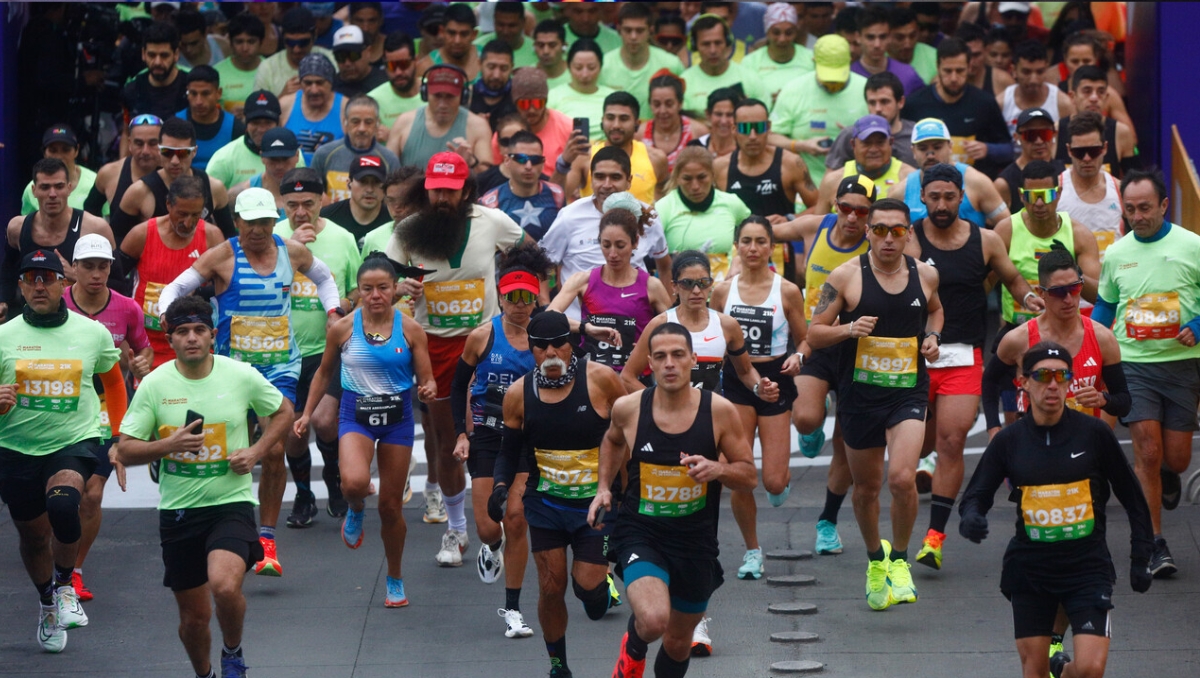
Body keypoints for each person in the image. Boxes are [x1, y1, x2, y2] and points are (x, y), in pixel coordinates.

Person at [156, 186, 344, 578]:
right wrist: (166, 313)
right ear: (237, 221)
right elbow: (176, 287)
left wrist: (333, 310)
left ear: (273, 223)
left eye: (264, 222)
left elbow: (325, 279)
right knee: (225, 444)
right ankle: (216, 520)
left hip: (280, 366)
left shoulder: (291, 251)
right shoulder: (224, 255)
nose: (258, 230)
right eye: (250, 223)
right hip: (231, 368)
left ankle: (268, 538)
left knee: (272, 451)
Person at [116, 296, 292, 678]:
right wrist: (168, 446)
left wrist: (257, 451)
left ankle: (233, 652)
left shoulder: (239, 374)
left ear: (213, 335)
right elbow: (125, 449)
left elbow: (283, 411)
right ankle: (205, 673)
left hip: (231, 503)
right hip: (179, 512)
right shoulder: (155, 384)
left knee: (225, 586)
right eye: (182, 332)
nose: (191, 338)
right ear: (170, 338)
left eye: (199, 331)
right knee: (194, 619)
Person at [959, 341, 1154, 678]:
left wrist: (1141, 556)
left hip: (1087, 566)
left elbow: (1133, 497)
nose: (1052, 384)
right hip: (1031, 570)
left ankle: (1065, 673)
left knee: (1091, 668)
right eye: (1043, 375)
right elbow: (975, 494)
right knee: (1034, 669)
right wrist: (971, 518)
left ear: (1069, 382)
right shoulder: (1010, 440)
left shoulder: (1093, 434)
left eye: (1061, 376)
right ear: (1024, 382)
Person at [386, 152, 531, 565]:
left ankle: (509, 514)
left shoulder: (493, 222)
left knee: (508, 429)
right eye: (436, 190)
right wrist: (400, 289)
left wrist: (522, 295)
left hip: (488, 340)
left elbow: (530, 255)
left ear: (466, 191)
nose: (443, 198)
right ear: (426, 190)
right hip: (433, 345)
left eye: (451, 191)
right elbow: (379, 276)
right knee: (451, 442)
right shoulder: (408, 230)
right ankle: (455, 529)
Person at [594, 321, 759, 678]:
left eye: (678, 355)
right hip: (642, 531)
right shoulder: (629, 408)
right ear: (649, 364)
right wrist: (603, 487)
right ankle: (633, 650)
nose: (669, 363)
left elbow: (749, 475)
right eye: (660, 356)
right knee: (654, 620)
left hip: (695, 539)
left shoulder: (720, 411)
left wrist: (718, 469)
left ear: (693, 360)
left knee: (679, 640)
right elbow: (611, 440)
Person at [805, 197, 943, 611]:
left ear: (908, 234)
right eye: (879, 229)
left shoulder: (927, 275)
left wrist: (934, 337)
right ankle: (875, 560)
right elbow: (814, 334)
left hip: (907, 391)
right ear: (867, 232)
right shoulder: (846, 277)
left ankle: (899, 559)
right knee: (866, 488)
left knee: (901, 479)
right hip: (860, 395)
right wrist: (848, 329)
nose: (887, 238)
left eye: (896, 231)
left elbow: (935, 313)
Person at [902, 163, 1041, 571]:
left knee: (950, 442)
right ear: (922, 199)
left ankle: (934, 538)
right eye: (934, 197)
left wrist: (1030, 299)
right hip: (915, 356)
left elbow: (1013, 279)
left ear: (962, 197)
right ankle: (901, 527)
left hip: (964, 355)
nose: (942, 204)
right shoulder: (909, 237)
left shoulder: (985, 240)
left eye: (949, 197)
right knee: (920, 447)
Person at [485, 309, 629, 678]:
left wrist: (628, 492)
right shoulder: (518, 394)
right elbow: (508, 451)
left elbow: (627, 436)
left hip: (595, 502)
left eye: (558, 345)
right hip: (546, 503)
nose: (550, 353)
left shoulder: (602, 381)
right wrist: (500, 487)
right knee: (551, 587)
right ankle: (558, 665)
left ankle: (600, 590)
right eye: (540, 347)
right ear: (531, 350)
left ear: (572, 346)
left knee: (588, 588)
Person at [0, 248, 126, 653]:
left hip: (73, 440)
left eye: (47, 278)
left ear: (62, 284)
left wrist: (119, 437)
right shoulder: (4, 337)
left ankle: (65, 582)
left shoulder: (92, 333)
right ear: (20, 287)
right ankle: (47, 604)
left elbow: (114, 382)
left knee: (63, 505)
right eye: (31, 279)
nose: (40, 285)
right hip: (14, 447)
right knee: (34, 537)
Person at [293, 253, 436, 605]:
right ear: (358, 291)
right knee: (353, 483)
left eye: (383, 288)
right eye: (367, 289)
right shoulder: (343, 328)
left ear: (394, 290)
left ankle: (395, 578)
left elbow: (427, 377)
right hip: (355, 415)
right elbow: (324, 373)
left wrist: (428, 388)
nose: (375, 295)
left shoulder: (411, 329)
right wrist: (306, 414)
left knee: (390, 507)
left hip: (397, 421)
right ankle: (355, 508)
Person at [1092, 169, 1200, 578]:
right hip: (1134, 363)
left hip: (1181, 365)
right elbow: (1105, 306)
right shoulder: (1118, 254)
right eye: (1130, 209)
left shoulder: (1192, 246)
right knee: (1147, 453)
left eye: (1145, 208)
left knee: (1175, 455)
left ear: (1164, 206)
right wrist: (1092, 344)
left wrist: (1198, 326)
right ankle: (1154, 542)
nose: (1137, 216)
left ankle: (1171, 475)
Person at [451, 246, 553, 637]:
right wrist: (462, 433)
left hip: (527, 440)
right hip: (488, 436)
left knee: (516, 518)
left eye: (528, 297)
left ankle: (512, 610)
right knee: (489, 525)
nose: (521, 305)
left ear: (536, 298)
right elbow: (458, 385)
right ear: (501, 296)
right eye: (514, 297)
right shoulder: (482, 337)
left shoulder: (544, 340)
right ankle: (490, 547)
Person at [773, 174, 876, 555]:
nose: (852, 217)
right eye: (845, 207)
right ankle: (817, 416)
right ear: (834, 206)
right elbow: (766, 233)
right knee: (805, 419)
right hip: (814, 341)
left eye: (861, 211)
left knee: (846, 446)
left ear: (871, 215)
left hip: (857, 345)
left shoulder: (876, 244)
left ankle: (827, 522)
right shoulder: (815, 228)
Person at [709, 217, 806, 581]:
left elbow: (805, 337)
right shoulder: (723, 291)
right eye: (746, 241)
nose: (752, 248)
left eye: (760, 241)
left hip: (776, 380)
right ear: (737, 245)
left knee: (774, 483)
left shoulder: (787, 291)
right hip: (736, 382)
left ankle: (781, 480)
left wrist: (800, 356)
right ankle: (753, 551)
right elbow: (714, 337)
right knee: (739, 474)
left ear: (772, 247)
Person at [61, 235, 153, 601]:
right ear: (74, 269)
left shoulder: (128, 308)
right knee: (60, 497)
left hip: (107, 407)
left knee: (92, 495)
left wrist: (142, 363)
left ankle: (75, 571)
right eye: (88, 266)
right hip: (63, 408)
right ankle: (57, 556)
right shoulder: (58, 303)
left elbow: (143, 351)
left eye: (103, 266)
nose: (96, 274)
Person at [273, 168, 360, 526]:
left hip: (330, 350)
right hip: (284, 351)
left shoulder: (342, 238)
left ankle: (335, 482)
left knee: (325, 422)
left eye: (308, 204)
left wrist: (344, 306)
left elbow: (358, 288)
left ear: (323, 200)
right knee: (292, 430)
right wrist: (291, 247)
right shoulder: (273, 236)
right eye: (292, 205)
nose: (301, 212)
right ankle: (304, 495)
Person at [984, 243, 1129, 441]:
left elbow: (1124, 401)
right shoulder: (1018, 339)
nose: (1069, 299)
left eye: (1075, 288)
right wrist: (993, 428)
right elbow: (990, 381)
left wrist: (1103, 399)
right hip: (1035, 446)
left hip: (1083, 446)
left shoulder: (1103, 338)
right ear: (1041, 293)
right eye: (1059, 292)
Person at [543, 150, 672, 320]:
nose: (606, 184)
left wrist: (667, 303)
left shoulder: (649, 217)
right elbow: (543, 265)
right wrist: (545, 305)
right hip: (578, 327)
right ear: (591, 178)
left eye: (615, 177)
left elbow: (664, 266)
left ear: (629, 181)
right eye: (599, 176)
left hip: (636, 329)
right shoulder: (569, 217)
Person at [550, 202, 673, 370]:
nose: (613, 254)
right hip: (593, 378)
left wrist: (652, 344)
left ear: (635, 242)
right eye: (606, 245)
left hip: (635, 379)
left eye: (620, 246)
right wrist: (587, 329)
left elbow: (675, 331)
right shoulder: (582, 281)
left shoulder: (651, 286)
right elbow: (549, 317)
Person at [119, 176, 225, 369]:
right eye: (182, 214)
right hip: (147, 348)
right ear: (168, 205)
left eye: (196, 214)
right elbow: (116, 285)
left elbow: (224, 289)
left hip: (195, 347)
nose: (188, 222)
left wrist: (198, 294)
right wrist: (125, 339)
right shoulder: (141, 234)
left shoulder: (212, 236)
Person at [1, 159, 115, 323]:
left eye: (59, 186)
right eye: (45, 187)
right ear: (34, 190)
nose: (52, 194)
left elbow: (118, 283)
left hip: (81, 320)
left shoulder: (96, 228)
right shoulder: (17, 228)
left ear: (69, 188)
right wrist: (3, 300)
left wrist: (79, 276)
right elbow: (8, 270)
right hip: (30, 319)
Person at [902, 38, 1014, 180]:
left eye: (960, 71)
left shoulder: (984, 103)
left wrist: (988, 149)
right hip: (929, 184)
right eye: (948, 71)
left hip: (974, 184)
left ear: (969, 67)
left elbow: (1009, 149)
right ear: (938, 67)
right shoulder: (915, 103)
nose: (954, 78)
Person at [769, 34, 868, 187]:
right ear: (813, 61)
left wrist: (856, 139)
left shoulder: (867, 90)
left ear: (850, 60)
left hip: (857, 186)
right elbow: (770, 136)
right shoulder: (793, 90)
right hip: (805, 185)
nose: (833, 83)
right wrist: (800, 145)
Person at [114, 117, 234, 243]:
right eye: (167, 152)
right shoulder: (140, 192)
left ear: (194, 152)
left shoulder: (214, 188)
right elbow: (116, 240)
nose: (175, 161)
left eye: (182, 153)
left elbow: (230, 241)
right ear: (159, 150)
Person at [655, 147, 752, 282]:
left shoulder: (732, 203)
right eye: (687, 179)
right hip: (681, 296)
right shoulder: (663, 208)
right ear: (677, 178)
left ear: (712, 175)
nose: (695, 186)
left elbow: (754, 236)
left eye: (702, 177)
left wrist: (739, 259)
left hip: (726, 293)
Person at [716, 98, 818, 224]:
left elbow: (819, 207)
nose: (752, 136)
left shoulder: (790, 163)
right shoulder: (720, 168)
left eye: (759, 127)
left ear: (768, 127)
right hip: (738, 243)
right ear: (734, 130)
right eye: (745, 128)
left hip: (780, 240)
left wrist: (790, 219)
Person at [558, 92, 670, 206]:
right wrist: (564, 162)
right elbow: (558, 199)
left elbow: (664, 194)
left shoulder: (655, 158)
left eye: (623, 118)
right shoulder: (584, 157)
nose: (616, 125)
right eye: (610, 118)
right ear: (602, 121)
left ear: (637, 123)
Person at [904, 118, 1012, 228]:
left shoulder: (977, 182)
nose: (930, 155)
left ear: (950, 147)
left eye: (937, 147)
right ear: (913, 151)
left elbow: (1008, 225)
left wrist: (988, 243)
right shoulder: (901, 191)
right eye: (923, 149)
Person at [387, 64, 494, 174]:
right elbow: (386, 169)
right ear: (425, 94)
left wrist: (471, 162)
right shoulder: (404, 123)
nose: (443, 104)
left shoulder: (478, 127)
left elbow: (488, 179)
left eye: (450, 96)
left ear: (463, 96)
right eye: (437, 96)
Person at [599, 2, 685, 123]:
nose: (633, 37)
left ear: (651, 31)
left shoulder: (671, 64)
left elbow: (681, 108)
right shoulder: (603, 65)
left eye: (639, 31)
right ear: (618, 30)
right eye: (628, 30)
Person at [206, 91, 308, 192]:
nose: (261, 129)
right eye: (255, 123)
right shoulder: (223, 158)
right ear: (245, 123)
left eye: (268, 123)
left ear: (279, 123)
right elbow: (210, 199)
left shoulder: (294, 156)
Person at [814, 114, 916, 212]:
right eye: (866, 143)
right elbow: (819, 226)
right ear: (853, 144)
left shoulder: (909, 179)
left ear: (891, 143)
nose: (874, 149)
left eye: (880, 142)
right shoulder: (833, 181)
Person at [1057, 112, 1123, 260]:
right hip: (1073, 279)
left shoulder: (1120, 189)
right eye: (1079, 152)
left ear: (1105, 148)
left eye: (1093, 151)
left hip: (1114, 278)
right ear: (1069, 151)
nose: (1086, 158)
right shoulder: (1056, 189)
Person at [310, 95, 400, 202]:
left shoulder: (389, 159)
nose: (362, 128)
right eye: (355, 121)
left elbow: (395, 199)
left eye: (368, 122)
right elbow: (312, 192)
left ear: (377, 124)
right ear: (345, 123)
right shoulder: (324, 154)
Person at [479, 132, 565, 242]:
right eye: (521, 159)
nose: (528, 166)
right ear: (507, 161)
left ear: (543, 163)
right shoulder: (490, 203)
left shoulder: (557, 195)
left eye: (535, 160)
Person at [1056, 65, 1138, 179]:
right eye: (1087, 91)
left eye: (1100, 91)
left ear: (1106, 97)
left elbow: (1133, 182)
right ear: (1072, 96)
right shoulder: (1056, 131)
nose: (1094, 98)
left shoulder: (1121, 132)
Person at [826, 72, 918, 171]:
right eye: (872, 103)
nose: (878, 108)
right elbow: (830, 179)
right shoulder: (850, 135)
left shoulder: (916, 135)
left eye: (884, 101)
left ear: (900, 102)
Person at [679, 14, 766, 114]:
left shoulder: (750, 79)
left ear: (728, 43)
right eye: (706, 44)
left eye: (718, 43)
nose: (713, 50)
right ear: (695, 46)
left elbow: (764, 118)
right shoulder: (684, 83)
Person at [86, 115, 163, 220]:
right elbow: (90, 211)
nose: (145, 151)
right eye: (139, 143)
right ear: (130, 144)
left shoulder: (174, 174)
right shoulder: (109, 173)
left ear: (163, 144)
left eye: (153, 143)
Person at [741, 3, 815, 107]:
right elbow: (745, 101)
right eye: (776, 33)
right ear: (767, 33)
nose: (782, 39)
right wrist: (768, 101)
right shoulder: (750, 62)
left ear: (796, 32)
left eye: (789, 33)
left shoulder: (811, 58)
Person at [253, 6, 336, 97]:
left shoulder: (332, 60)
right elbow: (258, 110)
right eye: (290, 42)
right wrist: (282, 97)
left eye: (303, 42)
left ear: (315, 35)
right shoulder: (268, 68)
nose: (296, 49)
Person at [999, 40, 1076, 139]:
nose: (1033, 80)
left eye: (1040, 72)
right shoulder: (1001, 104)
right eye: (1026, 72)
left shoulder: (1063, 104)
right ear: (1014, 70)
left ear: (1046, 69)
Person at [279, 55, 347, 165]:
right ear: (300, 82)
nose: (314, 90)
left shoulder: (346, 108)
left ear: (330, 83)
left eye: (320, 83)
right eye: (308, 83)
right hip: (293, 178)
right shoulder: (285, 105)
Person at [176, 66, 247, 170]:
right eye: (193, 93)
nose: (198, 101)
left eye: (205, 93)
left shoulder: (236, 128)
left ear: (218, 93)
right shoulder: (175, 125)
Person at [995, 107, 1064, 214]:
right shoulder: (1004, 184)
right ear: (1017, 137)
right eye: (1031, 135)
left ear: (1054, 135)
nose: (1039, 141)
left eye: (1045, 134)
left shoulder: (1064, 172)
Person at [20, 126, 99, 217]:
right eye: (53, 150)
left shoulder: (96, 183)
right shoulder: (31, 189)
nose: (59, 156)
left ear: (77, 150)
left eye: (66, 150)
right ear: (44, 152)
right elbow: (27, 225)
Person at [639, 72, 709, 172]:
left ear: (680, 103)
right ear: (650, 104)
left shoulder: (698, 132)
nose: (662, 111)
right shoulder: (639, 134)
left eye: (669, 104)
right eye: (657, 104)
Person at [548, 39, 616, 143]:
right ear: (568, 66)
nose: (585, 74)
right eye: (578, 68)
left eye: (591, 67)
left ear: (601, 66)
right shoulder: (553, 96)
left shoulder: (613, 97)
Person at [318, 154, 394, 244]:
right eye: (363, 182)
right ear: (348, 184)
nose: (369, 189)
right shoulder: (327, 218)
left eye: (376, 182)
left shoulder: (394, 221)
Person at [228, 127, 302, 220]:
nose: (279, 166)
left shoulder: (314, 194)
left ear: (297, 156)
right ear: (262, 157)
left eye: (285, 159)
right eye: (273, 159)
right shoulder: (238, 195)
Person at [122, 21, 190, 121]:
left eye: (164, 55)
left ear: (176, 54)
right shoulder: (132, 90)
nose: (157, 62)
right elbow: (126, 133)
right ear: (143, 54)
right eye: (152, 55)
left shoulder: (192, 88)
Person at [853, 5, 924, 96]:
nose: (877, 45)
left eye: (883, 37)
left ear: (890, 37)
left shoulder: (908, 75)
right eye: (870, 37)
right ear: (858, 37)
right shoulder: (849, 76)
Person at [368, 31, 423, 131]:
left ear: (416, 61)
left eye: (403, 64)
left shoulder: (435, 92)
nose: (398, 72)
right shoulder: (372, 101)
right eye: (391, 66)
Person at [213, 13, 264, 117]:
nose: (245, 48)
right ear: (230, 43)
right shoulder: (216, 73)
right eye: (239, 42)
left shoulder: (272, 69)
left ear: (261, 42)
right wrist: (226, 117)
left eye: (251, 41)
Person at [416, 3, 482, 82]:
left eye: (464, 34)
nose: (457, 41)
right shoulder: (426, 68)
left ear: (474, 34)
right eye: (451, 33)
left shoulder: (488, 59)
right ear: (442, 32)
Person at [954, 21, 1016, 98]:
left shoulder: (1004, 81)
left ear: (986, 51)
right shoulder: (943, 82)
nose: (971, 62)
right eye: (967, 56)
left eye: (976, 55)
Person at [474, 2, 537, 69]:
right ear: (494, 21)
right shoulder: (476, 48)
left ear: (523, 22)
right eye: (501, 25)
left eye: (512, 25)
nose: (505, 31)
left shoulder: (537, 50)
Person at [330, 25, 387, 97]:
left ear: (368, 52)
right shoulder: (330, 87)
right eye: (341, 57)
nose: (347, 63)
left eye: (354, 55)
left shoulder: (384, 83)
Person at [887, 6, 938, 83]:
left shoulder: (935, 56)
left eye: (912, 36)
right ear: (887, 36)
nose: (908, 44)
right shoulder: (877, 59)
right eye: (900, 38)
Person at [689, 89, 740, 160]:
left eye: (729, 115)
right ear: (708, 114)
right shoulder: (695, 147)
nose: (724, 121)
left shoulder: (744, 150)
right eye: (718, 114)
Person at [534, 19, 571, 91]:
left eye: (552, 45)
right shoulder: (525, 76)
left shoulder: (577, 75)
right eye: (540, 45)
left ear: (564, 46)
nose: (545, 51)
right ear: (534, 46)